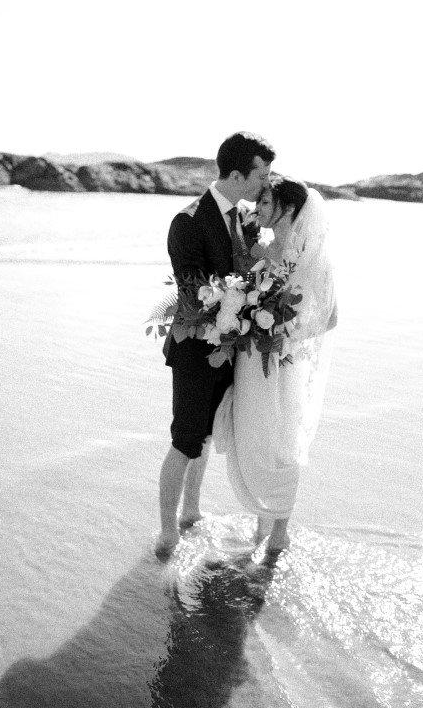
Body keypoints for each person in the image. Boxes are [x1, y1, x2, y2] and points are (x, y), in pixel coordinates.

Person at [155, 131, 276, 560]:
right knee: (185, 439)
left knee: (206, 436)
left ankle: (191, 510)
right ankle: (167, 533)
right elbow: (192, 290)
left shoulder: (244, 219)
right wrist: (239, 296)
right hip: (194, 350)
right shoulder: (188, 221)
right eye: (261, 174)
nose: (266, 182)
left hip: (230, 348)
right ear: (238, 175)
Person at [212, 176, 337, 553]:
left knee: (282, 442)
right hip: (251, 360)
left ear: (288, 208)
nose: (258, 208)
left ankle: (280, 530)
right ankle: (261, 523)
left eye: (265, 203)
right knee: (253, 435)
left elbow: (330, 318)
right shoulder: (261, 250)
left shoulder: (313, 257)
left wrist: (286, 332)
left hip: (284, 361)